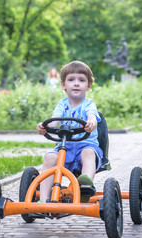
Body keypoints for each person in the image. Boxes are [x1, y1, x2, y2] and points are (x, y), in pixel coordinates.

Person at [36, 61, 103, 203]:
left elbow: (92, 116)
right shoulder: (62, 104)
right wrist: (44, 126)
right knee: (49, 157)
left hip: (86, 145)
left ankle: (85, 186)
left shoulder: (89, 104)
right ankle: (43, 201)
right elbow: (54, 120)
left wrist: (91, 123)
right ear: (63, 85)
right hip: (64, 148)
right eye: (71, 80)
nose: (76, 83)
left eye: (81, 80)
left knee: (88, 153)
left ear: (89, 86)